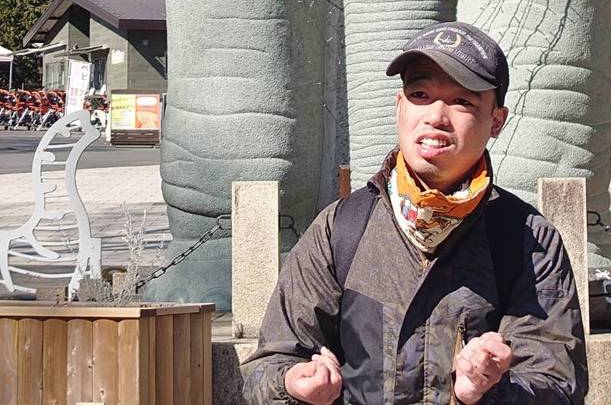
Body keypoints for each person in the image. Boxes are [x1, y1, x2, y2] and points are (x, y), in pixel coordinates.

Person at [242, 21, 588, 404]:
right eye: (420, 94)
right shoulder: (340, 228)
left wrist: (486, 392)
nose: (436, 116)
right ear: (399, 107)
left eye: (462, 101)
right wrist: (292, 386)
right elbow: (270, 362)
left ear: (496, 121)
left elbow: (558, 382)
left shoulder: (527, 240)